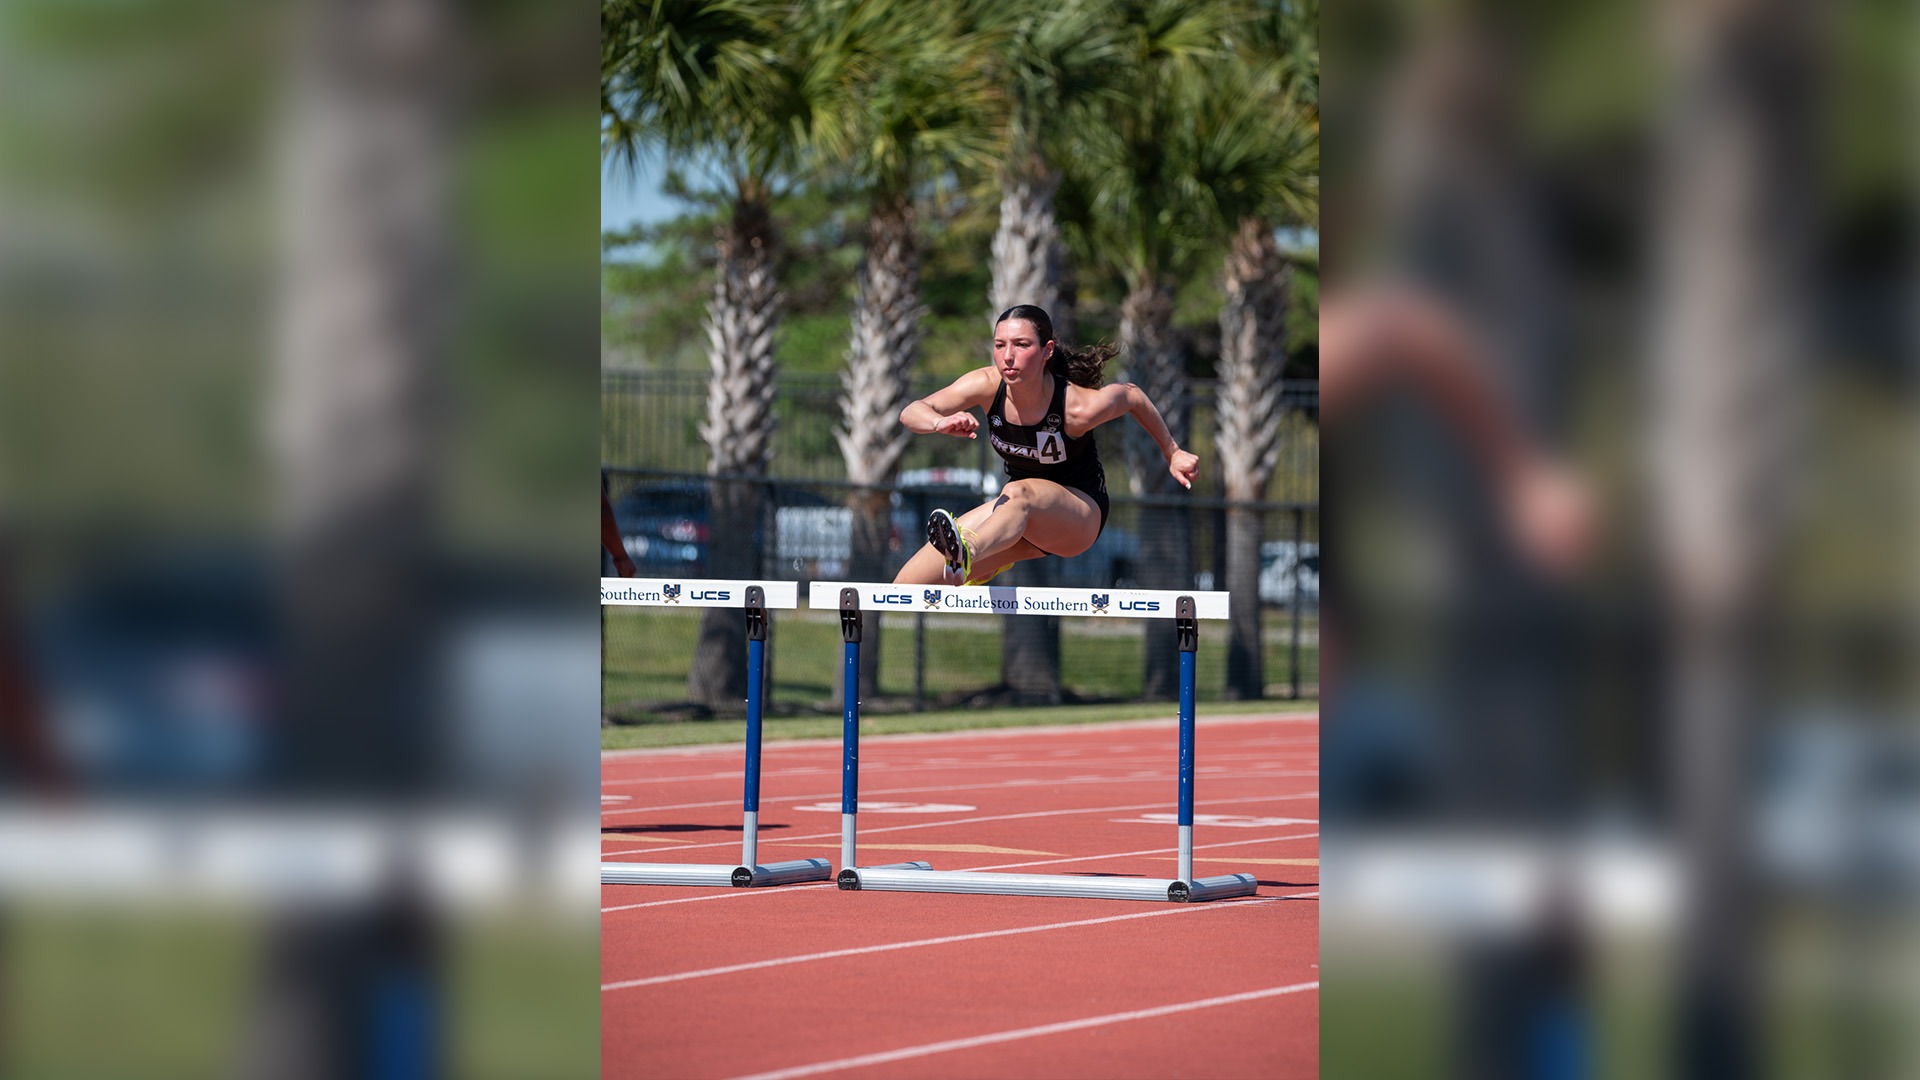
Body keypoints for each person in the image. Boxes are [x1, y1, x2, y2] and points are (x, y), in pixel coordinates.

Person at [893, 304, 1197, 586]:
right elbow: (911, 411)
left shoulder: (1077, 407)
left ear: (1046, 351)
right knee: (903, 586)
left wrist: (1172, 452)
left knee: (1016, 492)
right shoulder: (986, 385)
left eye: (1021, 345)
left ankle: (969, 552)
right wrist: (937, 422)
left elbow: (1132, 395)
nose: (1007, 357)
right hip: (1019, 517)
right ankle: (980, 559)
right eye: (1000, 346)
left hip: (1079, 518)